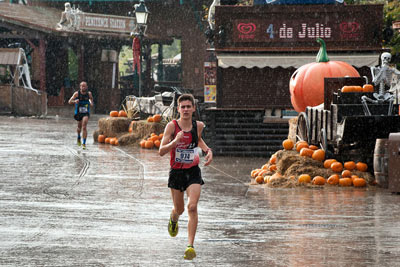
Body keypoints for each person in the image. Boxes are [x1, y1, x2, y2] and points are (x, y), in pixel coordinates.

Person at [158, 94, 213, 260]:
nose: (186, 109)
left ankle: (190, 246)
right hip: (176, 173)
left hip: (193, 172)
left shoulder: (199, 125)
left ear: (194, 109)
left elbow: (198, 140)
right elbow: (161, 151)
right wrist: (175, 141)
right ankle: (173, 218)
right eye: (183, 107)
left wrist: (208, 150)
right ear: (178, 109)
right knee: (180, 210)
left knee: (192, 207)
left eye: (189, 106)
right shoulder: (171, 126)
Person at [68, 81, 93, 149]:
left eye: (84, 86)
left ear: (86, 87)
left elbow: (91, 100)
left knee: (84, 126)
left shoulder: (89, 94)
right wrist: (74, 101)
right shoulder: (76, 94)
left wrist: (91, 103)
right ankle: (78, 136)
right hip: (79, 113)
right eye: (82, 86)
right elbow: (69, 101)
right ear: (80, 87)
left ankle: (84, 143)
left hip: (86, 112)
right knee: (79, 127)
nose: (83, 87)